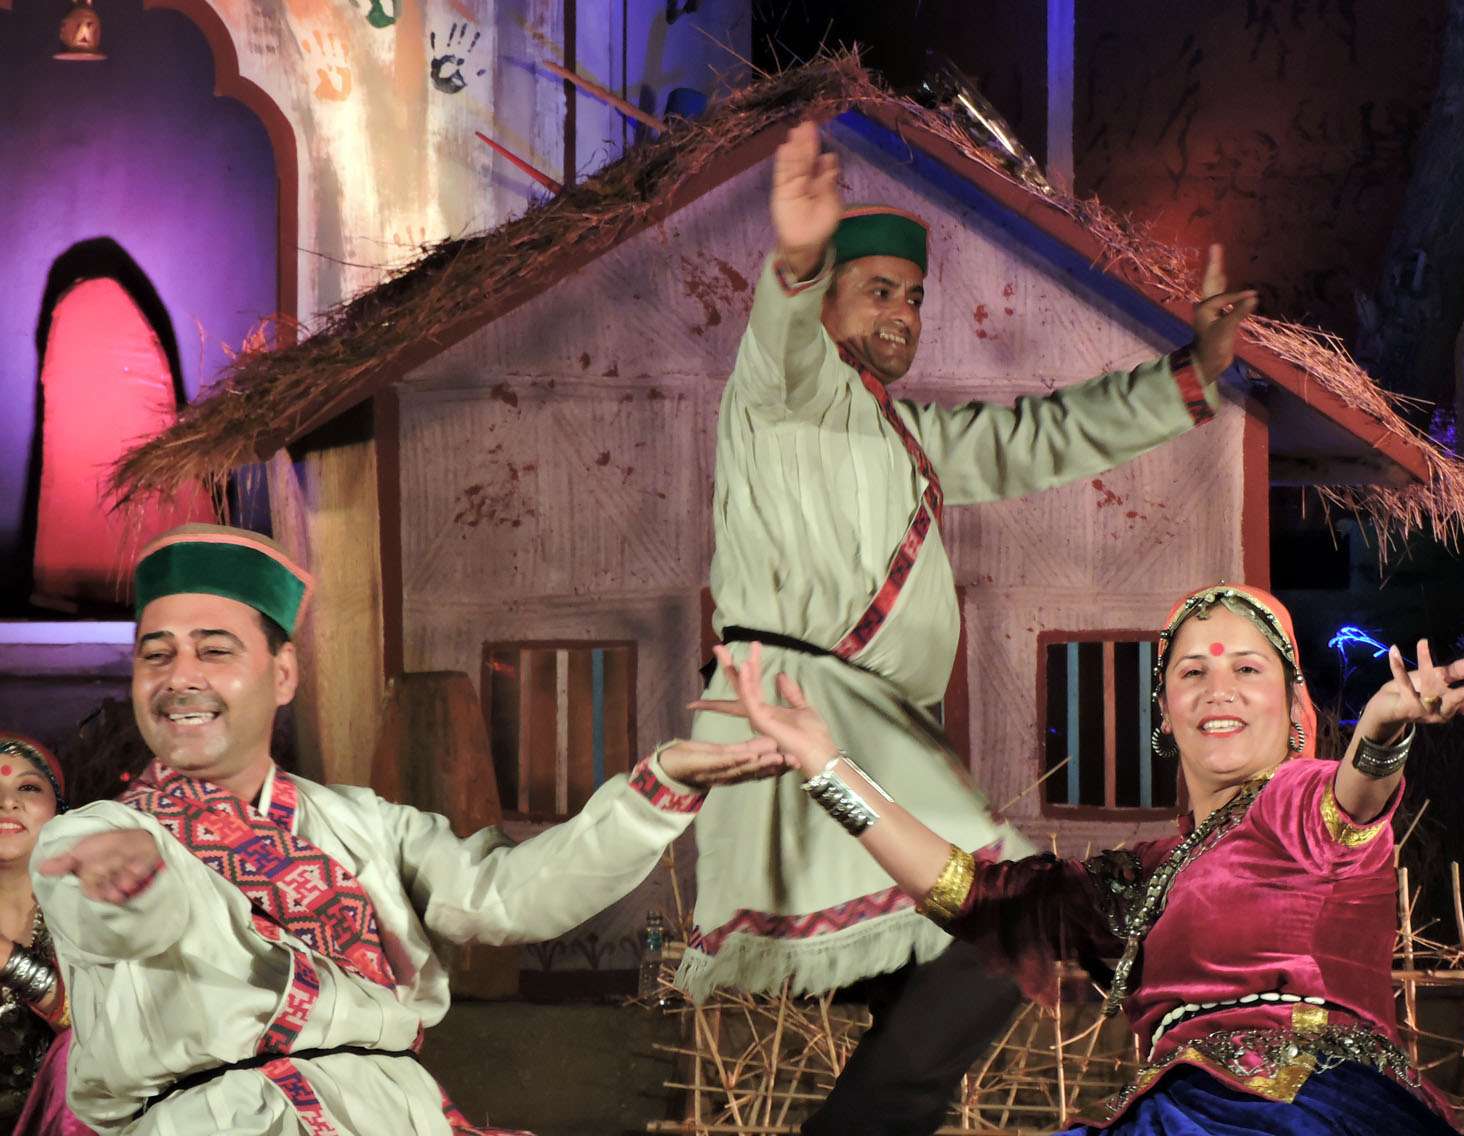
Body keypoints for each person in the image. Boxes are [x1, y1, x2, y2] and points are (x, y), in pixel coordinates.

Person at [678, 117, 1259, 1132]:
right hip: (808, 718)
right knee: (1007, 922)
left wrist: (1193, 370)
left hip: (873, 739)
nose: (902, 312)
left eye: (912, 295)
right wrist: (798, 261)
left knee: (963, 951)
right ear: (825, 303)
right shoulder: (780, 397)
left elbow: (1042, 436)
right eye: (877, 290)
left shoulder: (907, 435)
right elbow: (779, 338)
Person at [31, 523, 790, 1135]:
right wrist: (132, 879)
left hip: (393, 1111)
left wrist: (662, 787)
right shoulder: (90, 836)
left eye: (214, 650)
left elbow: (504, 897)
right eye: (156, 655)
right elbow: (120, 919)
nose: (180, 677)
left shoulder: (365, 823)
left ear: (283, 674)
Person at [703, 582, 1464, 1133]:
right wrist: (825, 768)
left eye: (1246, 669)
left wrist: (1384, 729)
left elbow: (1357, 794)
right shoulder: (1142, 877)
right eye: (1192, 671)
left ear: (1294, 708)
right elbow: (970, 892)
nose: (1217, 688)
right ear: (1165, 711)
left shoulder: (1300, 802)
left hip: (1305, 1108)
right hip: (1175, 1111)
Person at [0, 734, 86, 1136]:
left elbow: (105, 1028)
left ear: (59, 811)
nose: (7, 803)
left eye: (28, 788)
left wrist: (7, 959)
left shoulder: (88, 908)